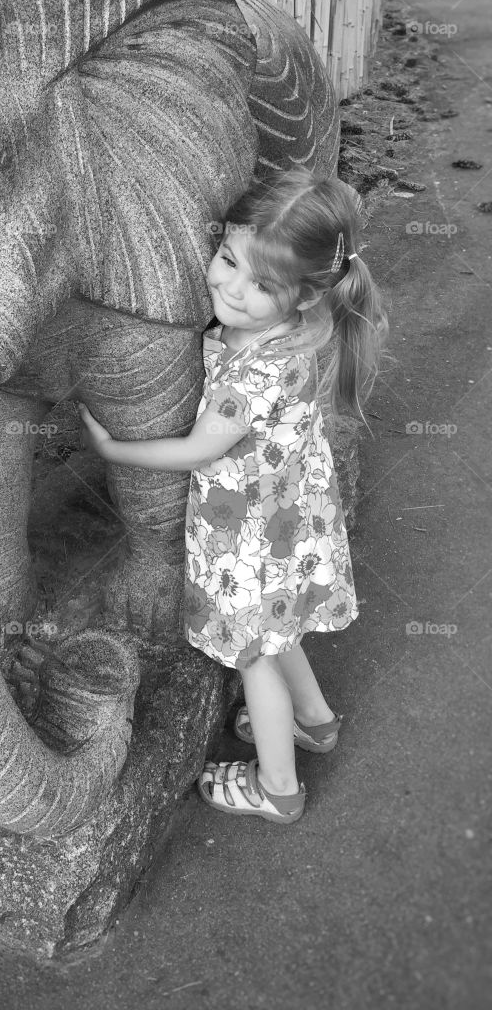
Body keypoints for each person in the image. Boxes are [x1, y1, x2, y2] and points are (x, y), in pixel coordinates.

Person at [79, 168, 387, 824]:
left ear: (303, 296)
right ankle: (316, 721)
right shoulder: (298, 335)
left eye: (262, 284)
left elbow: (196, 449)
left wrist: (113, 449)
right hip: (290, 526)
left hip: (247, 540)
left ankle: (278, 790)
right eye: (226, 260)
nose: (231, 288)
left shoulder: (246, 378)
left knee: (254, 660)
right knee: (278, 637)